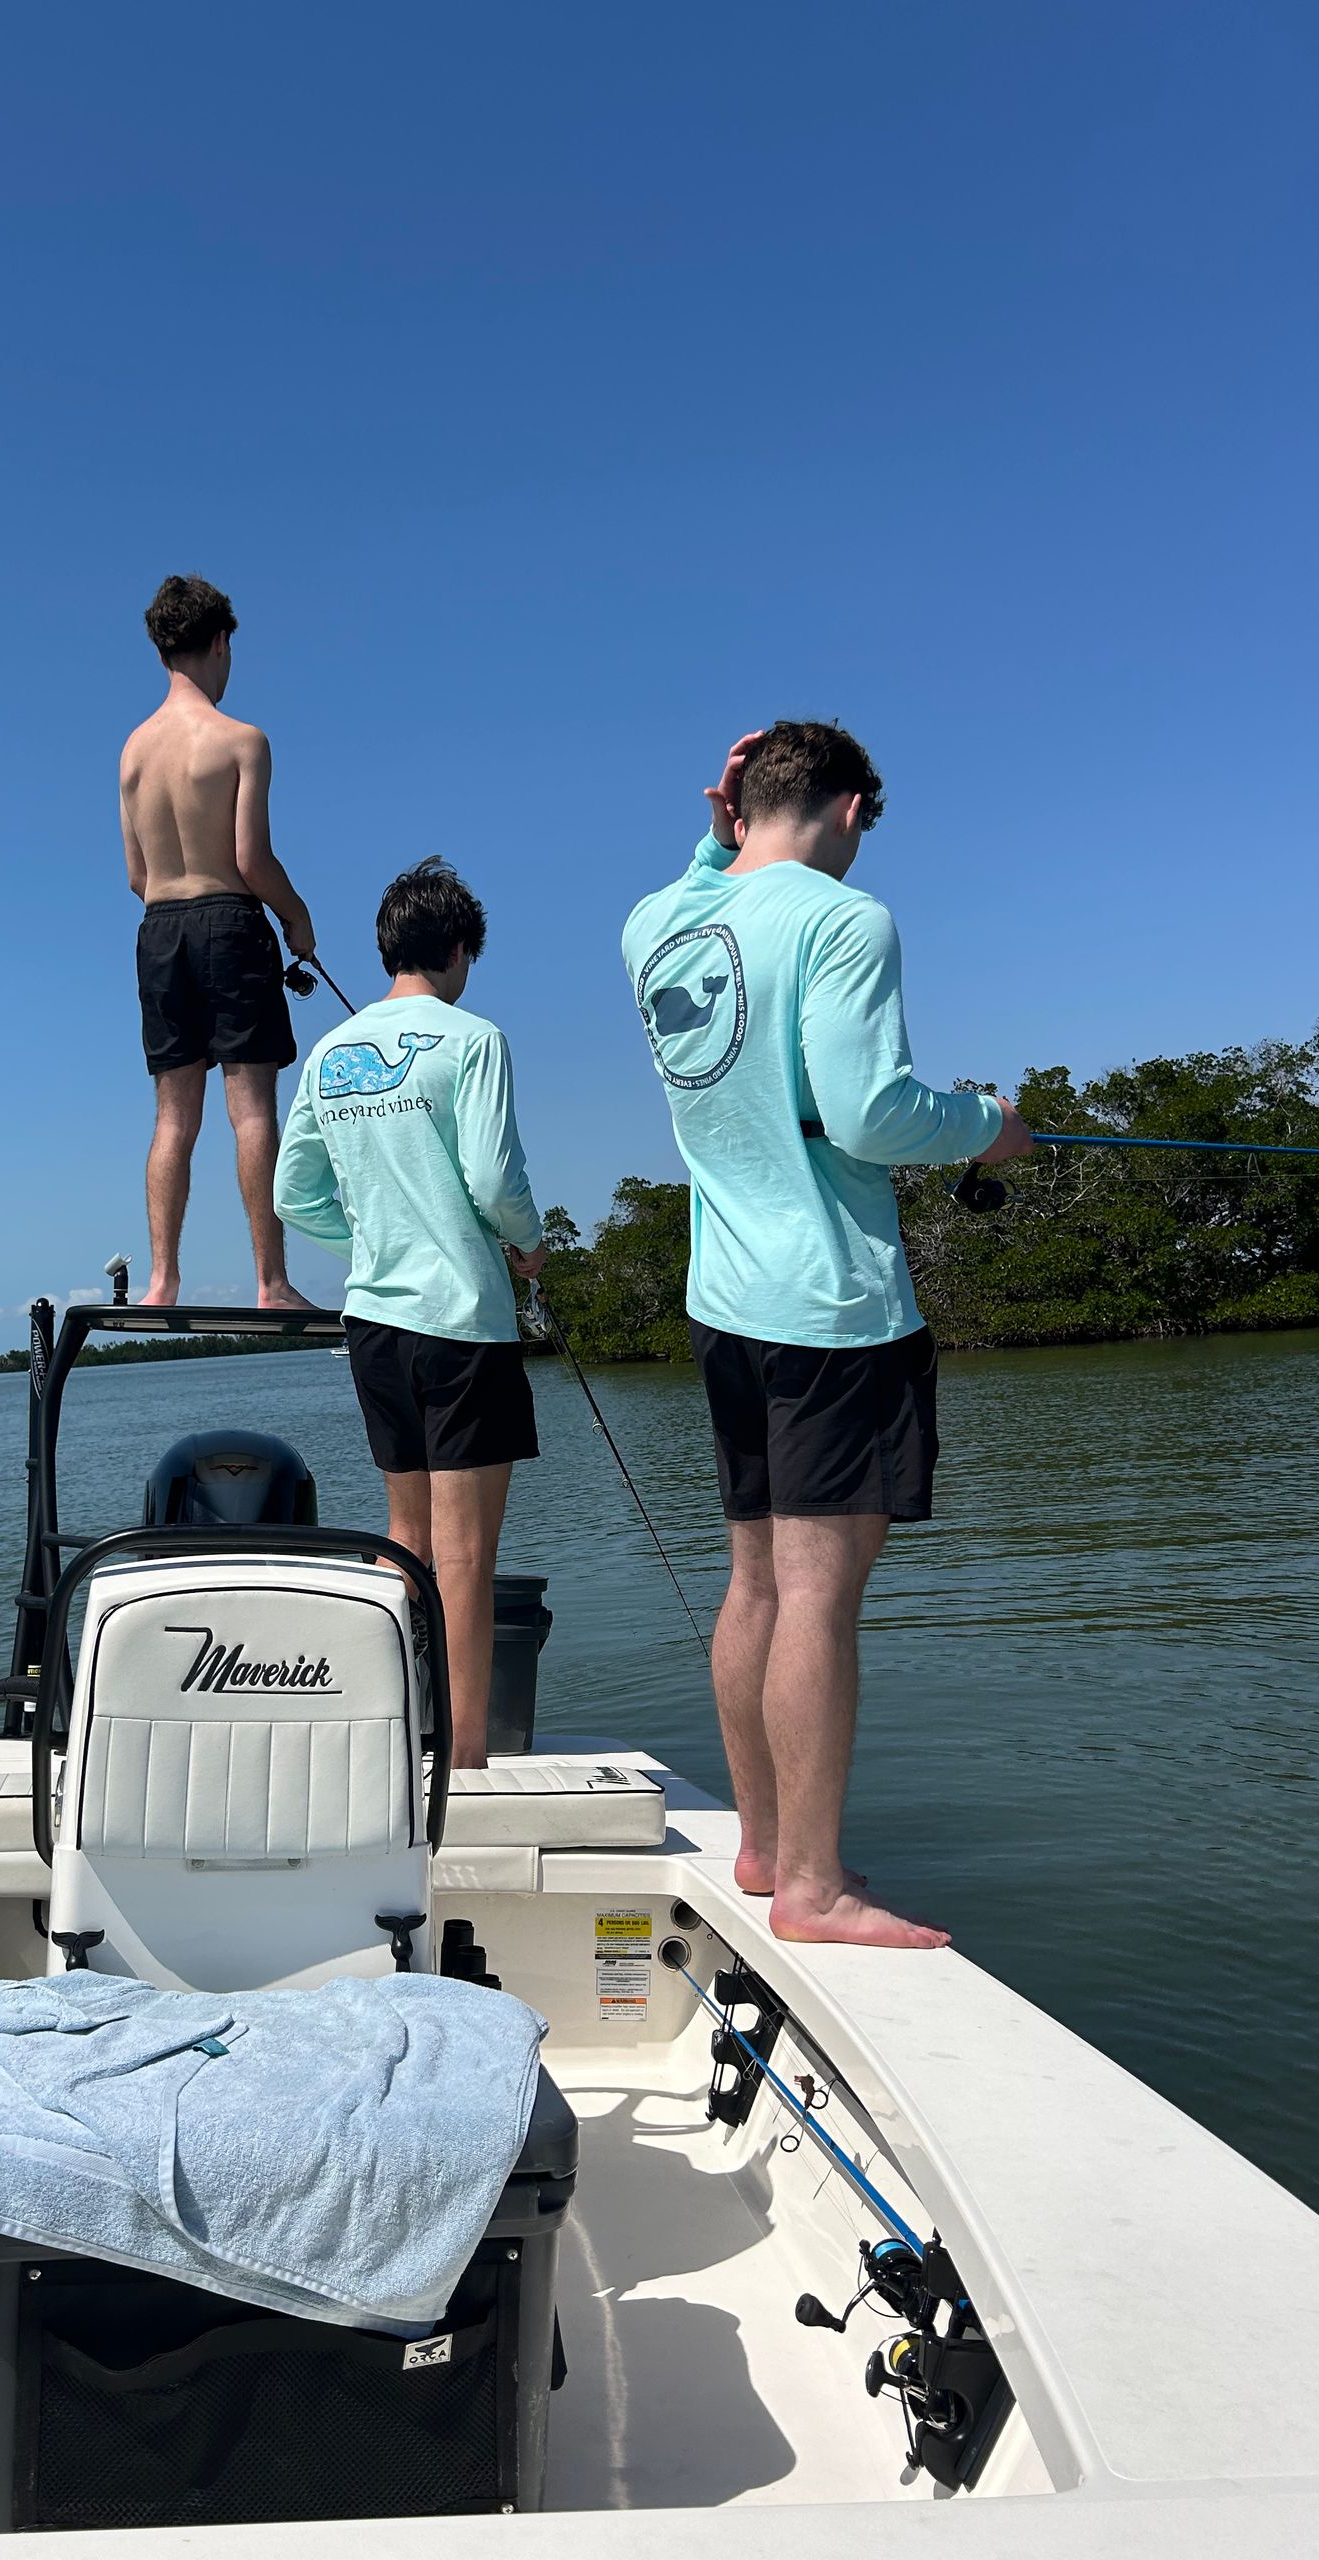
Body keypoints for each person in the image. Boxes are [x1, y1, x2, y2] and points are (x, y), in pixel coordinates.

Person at [622, 722, 1032, 1949]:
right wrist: (987, 1124)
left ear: (740, 804)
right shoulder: (847, 921)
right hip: (833, 1308)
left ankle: (758, 1846)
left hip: (725, 1304)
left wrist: (715, 826)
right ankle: (815, 1885)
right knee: (818, 1596)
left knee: (754, 1578)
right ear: (856, 806)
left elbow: (701, 880)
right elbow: (867, 1113)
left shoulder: (657, 926)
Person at [274, 859, 546, 1767]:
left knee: (405, 1542)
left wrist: (371, 1242)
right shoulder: (473, 1039)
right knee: (466, 1555)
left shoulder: (330, 1054)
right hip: (463, 1317)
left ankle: (394, 1739)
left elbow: (292, 1195)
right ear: (460, 950)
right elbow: (495, 1181)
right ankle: (464, 1760)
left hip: (375, 1323)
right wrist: (529, 1243)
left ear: (389, 948)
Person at [120, 574, 318, 1310]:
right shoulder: (241, 741)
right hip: (230, 924)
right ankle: (271, 1281)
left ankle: (162, 1281)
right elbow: (250, 862)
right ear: (221, 641)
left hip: (160, 929)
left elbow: (136, 876)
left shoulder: (133, 753)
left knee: (173, 1116)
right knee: (252, 1111)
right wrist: (297, 917)